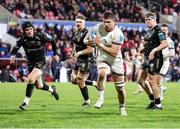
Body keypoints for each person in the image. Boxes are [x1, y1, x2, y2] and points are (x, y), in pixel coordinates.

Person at [10, 21, 60, 110]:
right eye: (27, 30)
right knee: (39, 86)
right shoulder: (22, 39)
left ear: (33, 29)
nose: (29, 31)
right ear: (24, 31)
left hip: (41, 62)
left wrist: (55, 54)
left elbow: (52, 40)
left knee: (30, 79)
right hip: (31, 64)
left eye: (30, 29)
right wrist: (13, 55)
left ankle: (25, 102)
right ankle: (52, 90)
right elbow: (16, 47)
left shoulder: (41, 35)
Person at [86, 11, 127, 116]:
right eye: (104, 21)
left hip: (115, 61)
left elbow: (114, 52)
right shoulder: (97, 28)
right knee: (102, 73)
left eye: (108, 22)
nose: (105, 24)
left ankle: (122, 107)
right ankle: (100, 98)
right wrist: (88, 42)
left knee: (120, 89)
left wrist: (99, 44)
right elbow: (87, 39)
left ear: (114, 21)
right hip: (103, 59)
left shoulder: (118, 34)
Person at [137, 12, 168, 110]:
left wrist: (154, 50)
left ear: (154, 19)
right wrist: (142, 50)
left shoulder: (158, 30)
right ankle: (152, 100)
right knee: (140, 80)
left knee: (152, 81)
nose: (147, 21)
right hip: (146, 58)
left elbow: (164, 43)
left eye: (149, 19)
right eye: (146, 20)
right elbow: (149, 44)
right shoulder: (149, 31)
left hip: (156, 58)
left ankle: (158, 105)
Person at [70, 14, 94, 107]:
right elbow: (75, 44)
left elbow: (91, 49)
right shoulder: (76, 32)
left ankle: (87, 101)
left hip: (86, 59)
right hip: (79, 58)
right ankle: (93, 83)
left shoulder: (88, 33)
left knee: (80, 81)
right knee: (73, 80)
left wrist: (79, 53)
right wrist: (73, 53)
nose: (78, 23)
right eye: (77, 22)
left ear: (84, 23)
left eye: (80, 22)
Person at [158, 23, 175, 100]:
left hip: (165, 62)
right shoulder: (158, 40)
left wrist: (163, 55)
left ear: (168, 31)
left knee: (159, 78)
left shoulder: (170, 41)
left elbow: (172, 53)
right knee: (155, 79)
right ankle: (163, 88)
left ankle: (160, 96)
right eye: (162, 30)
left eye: (165, 30)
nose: (164, 31)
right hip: (157, 62)